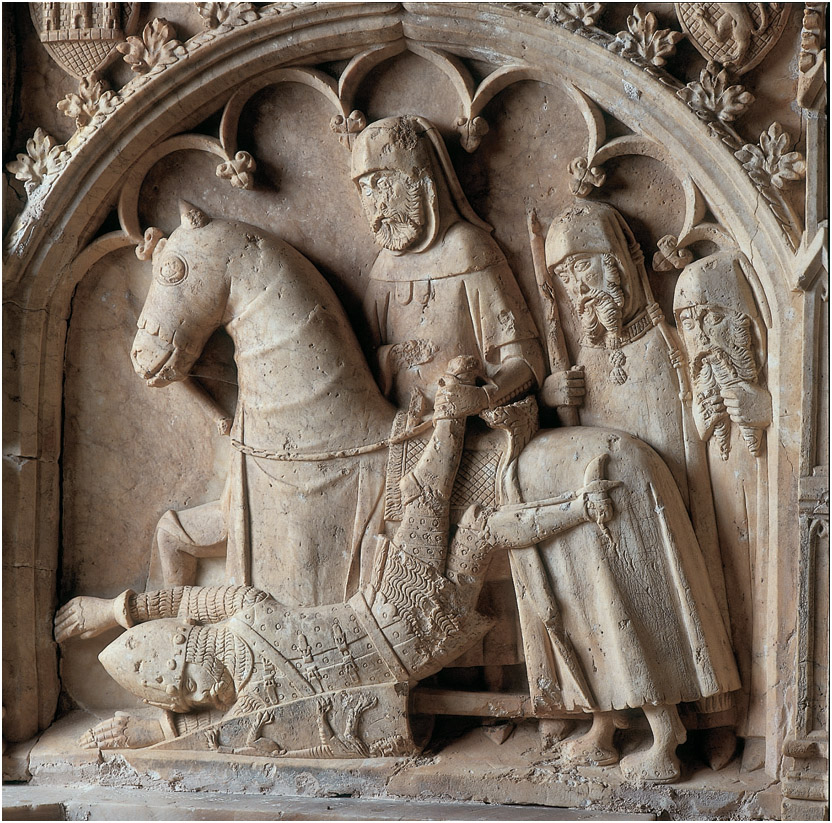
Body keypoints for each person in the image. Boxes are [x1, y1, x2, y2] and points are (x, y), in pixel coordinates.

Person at [540, 201, 739, 768]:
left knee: (663, 591)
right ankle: (607, 718)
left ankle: (707, 717)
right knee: (593, 595)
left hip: (665, 514)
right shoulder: (584, 354)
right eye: (566, 275)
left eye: (586, 265)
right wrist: (555, 396)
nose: (580, 287)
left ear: (621, 261)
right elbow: (574, 448)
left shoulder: (667, 347)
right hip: (599, 515)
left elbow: (695, 453)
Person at [353, 115, 545, 418]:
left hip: (469, 425)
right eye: (366, 189)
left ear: (421, 181)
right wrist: (393, 358)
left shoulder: (469, 248)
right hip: (399, 423)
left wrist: (483, 397)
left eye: (384, 183)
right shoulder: (385, 266)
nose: (376, 204)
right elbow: (357, 365)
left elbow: (526, 362)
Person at [674, 251, 771, 757]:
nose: (702, 338)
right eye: (689, 324)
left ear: (741, 320)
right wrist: (704, 420)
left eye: (711, 318)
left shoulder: (765, 365)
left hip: (765, 507)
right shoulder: (697, 380)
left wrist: (761, 407)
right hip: (719, 514)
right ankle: (731, 718)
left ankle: (769, 721)